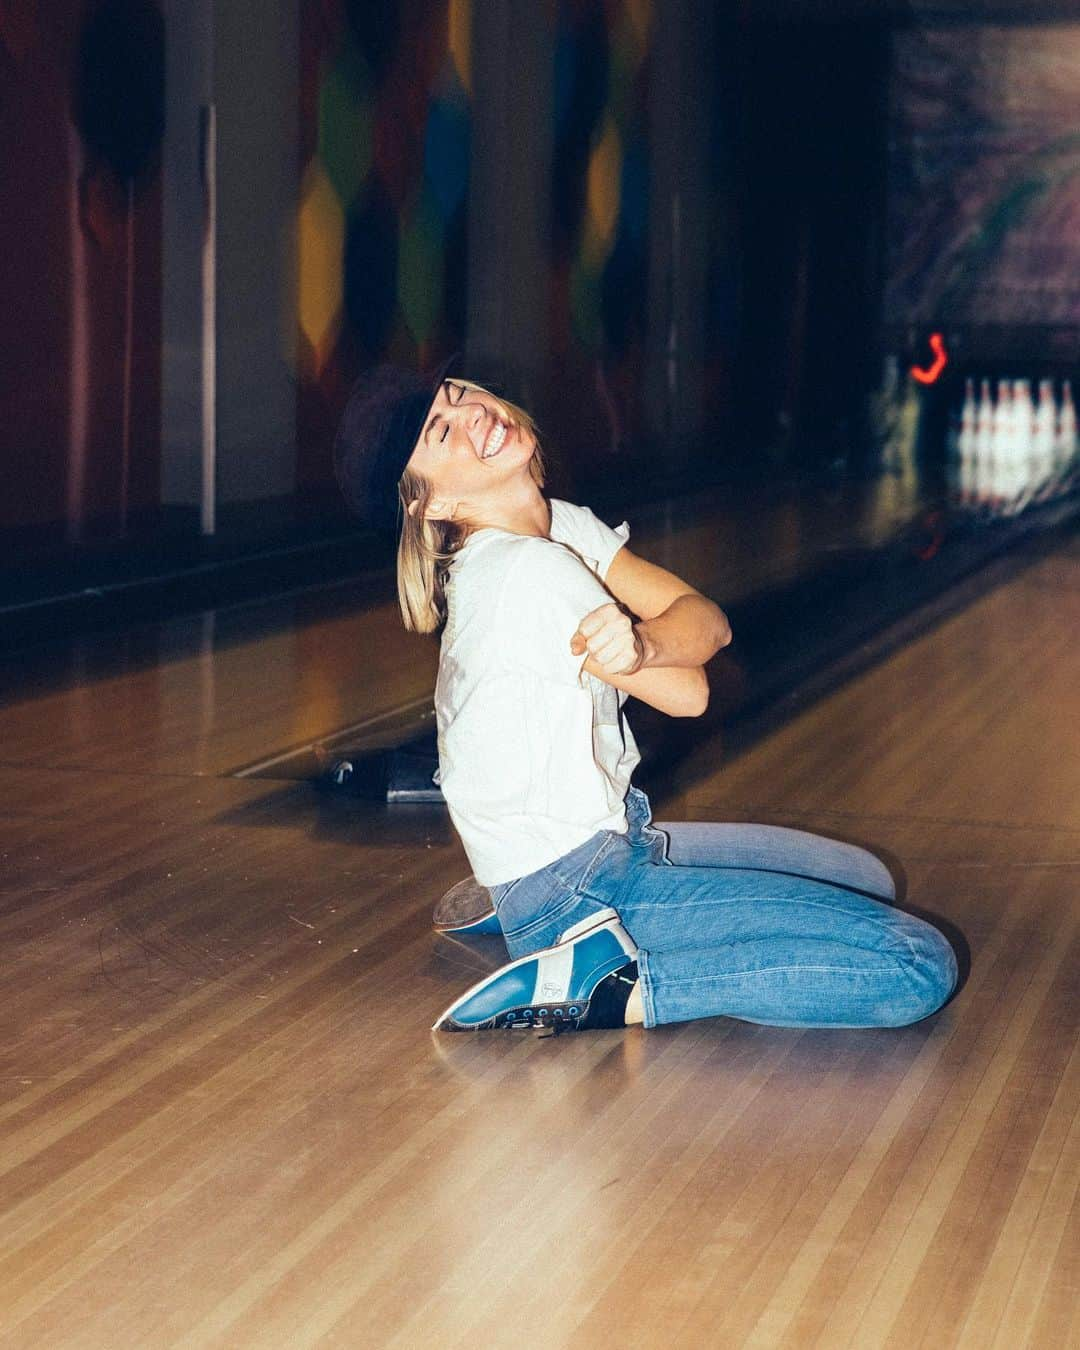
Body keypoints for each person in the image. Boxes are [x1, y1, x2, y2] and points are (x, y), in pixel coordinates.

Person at [334, 360, 958, 1034]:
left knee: (864, 877)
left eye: (460, 395)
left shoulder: (557, 529)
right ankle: (602, 984)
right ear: (436, 505)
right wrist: (647, 651)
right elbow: (691, 695)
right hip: (583, 888)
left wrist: (643, 646)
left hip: (607, 842)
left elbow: (707, 623)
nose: (473, 415)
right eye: (440, 431)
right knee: (917, 964)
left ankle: (512, 898)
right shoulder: (528, 571)